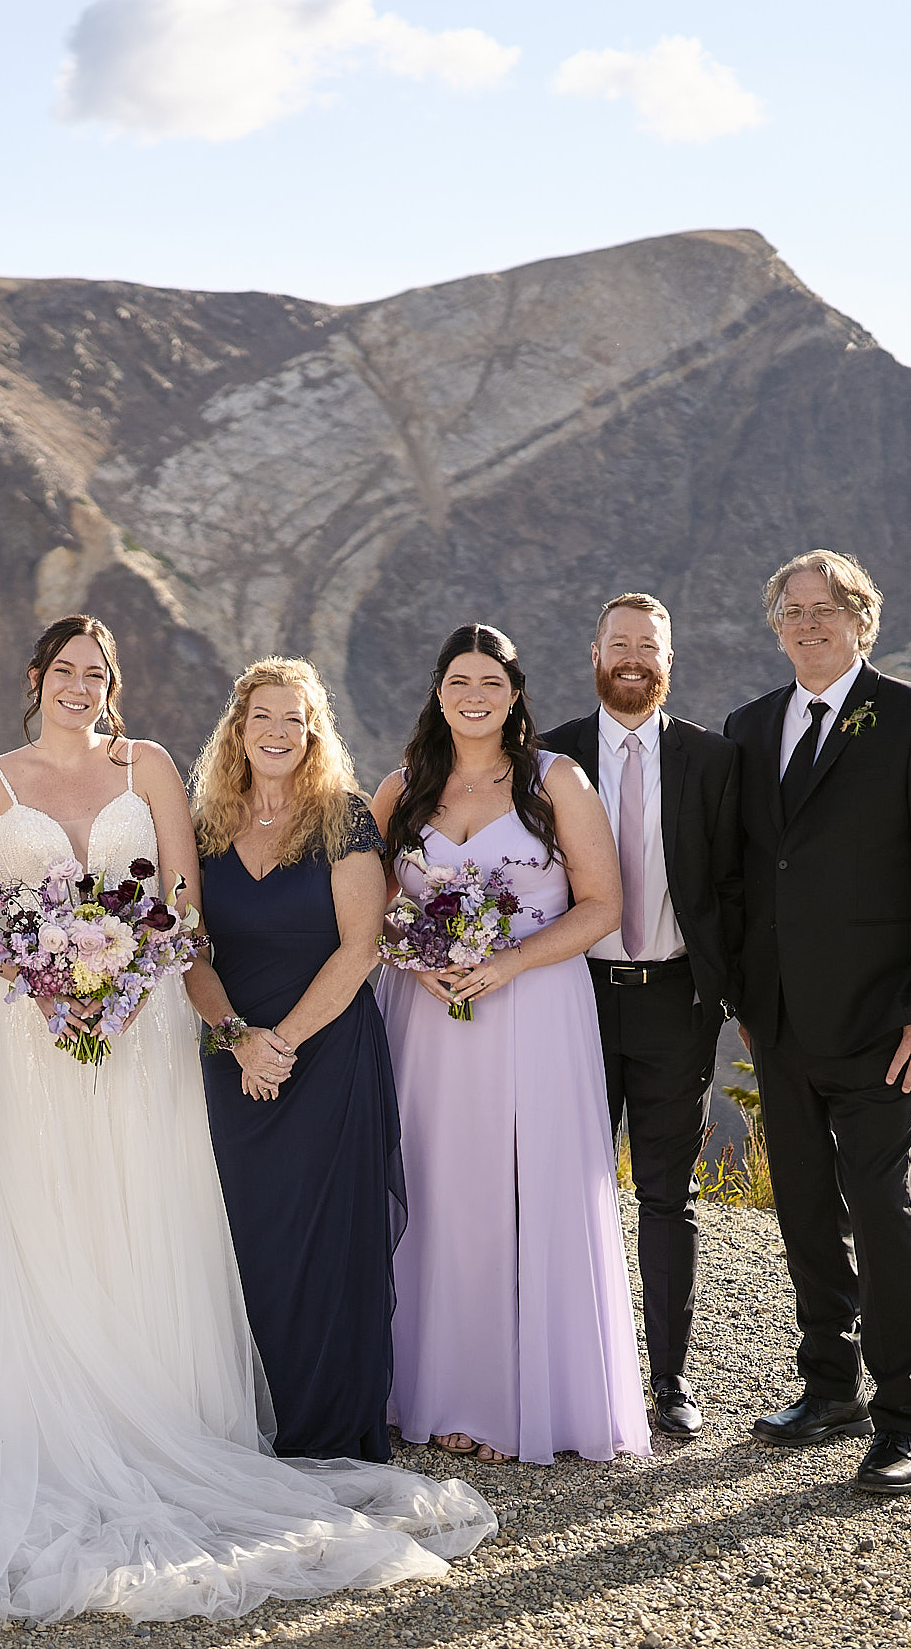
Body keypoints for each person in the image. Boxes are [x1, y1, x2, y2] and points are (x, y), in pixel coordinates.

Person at [0, 616, 496, 1626]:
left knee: (148, 1204)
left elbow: (183, 903)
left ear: (111, 686)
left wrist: (127, 971)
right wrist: (47, 975)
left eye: (97, 672)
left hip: (144, 1028)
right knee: (43, 1209)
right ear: (36, 678)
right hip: (36, 1030)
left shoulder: (153, 767)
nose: (80, 686)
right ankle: (37, 1412)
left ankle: (165, 1411)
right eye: (65, 671)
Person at [723, 550, 911, 1496]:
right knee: (802, 1205)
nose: (807, 624)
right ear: (776, 626)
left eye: (825, 609)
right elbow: (745, 873)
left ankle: (905, 1414)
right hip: (779, 1019)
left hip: (884, 1020)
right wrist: (743, 1001)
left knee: (880, 1207)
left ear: (862, 620)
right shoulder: (751, 726)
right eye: (791, 611)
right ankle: (829, 1387)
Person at [372, 624, 648, 1467]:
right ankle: (433, 1391)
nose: (475, 696)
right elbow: (369, 905)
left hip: (533, 1011)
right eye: (460, 681)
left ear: (515, 694)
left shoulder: (554, 781)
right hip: (427, 1017)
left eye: (492, 682)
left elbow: (603, 904)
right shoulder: (402, 788)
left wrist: (508, 963)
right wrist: (416, 960)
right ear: (439, 691)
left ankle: (516, 1402)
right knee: (437, 1190)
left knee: (526, 1189)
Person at [185, 657, 403, 1463]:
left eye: (294, 719)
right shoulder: (206, 823)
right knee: (245, 1237)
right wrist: (238, 1036)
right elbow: (188, 951)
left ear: (315, 733)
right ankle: (250, 1417)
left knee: (326, 1241)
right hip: (231, 1055)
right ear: (237, 730)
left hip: (328, 1054)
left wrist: (280, 1045)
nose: (277, 732)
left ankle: (326, 1424)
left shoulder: (343, 817)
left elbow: (362, 946)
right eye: (262, 717)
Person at [539, 593, 743, 1440]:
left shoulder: (713, 759)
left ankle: (669, 1379)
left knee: (668, 1195)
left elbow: (735, 885)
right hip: (569, 998)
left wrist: (735, 998)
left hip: (675, 1002)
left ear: (669, 658)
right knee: (562, 1187)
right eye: (618, 644)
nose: (633, 658)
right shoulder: (547, 757)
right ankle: (563, 1374)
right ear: (594, 654)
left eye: (648, 646)